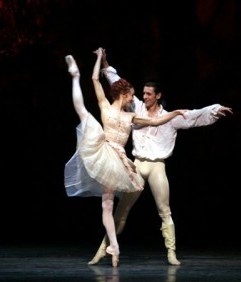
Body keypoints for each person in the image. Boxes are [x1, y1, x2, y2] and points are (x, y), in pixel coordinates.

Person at [87, 49, 233, 266]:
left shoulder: (169, 118)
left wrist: (214, 109)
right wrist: (105, 61)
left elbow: (191, 115)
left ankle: (171, 252)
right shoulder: (135, 107)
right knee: (121, 210)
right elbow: (117, 82)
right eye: (143, 93)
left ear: (158, 96)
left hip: (157, 167)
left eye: (148, 94)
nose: (143, 97)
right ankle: (102, 249)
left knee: (164, 210)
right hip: (135, 165)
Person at [64, 47, 188, 267]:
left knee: (109, 206)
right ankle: (74, 76)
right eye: (132, 94)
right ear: (124, 94)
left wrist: (176, 112)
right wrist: (99, 59)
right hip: (105, 151)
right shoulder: (106, 106)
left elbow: (156, 122)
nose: (135, 98)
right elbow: (95, 78)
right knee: (82, 111)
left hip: (118, 159)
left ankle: (113, 247)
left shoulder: (132, 115)